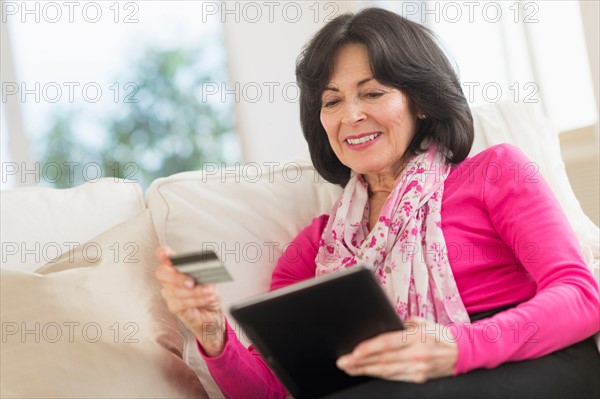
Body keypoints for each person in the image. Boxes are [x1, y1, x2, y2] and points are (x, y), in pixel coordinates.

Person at [155, 7, 600, 398]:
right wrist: (214, 333)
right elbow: (276, 390)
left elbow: (581, 296)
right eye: (332, 101)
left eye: (372, 93)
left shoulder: (495, 172)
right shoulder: (315, 249)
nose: (351, 115)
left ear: (420, 101)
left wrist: (455, 347)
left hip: (534, 363)